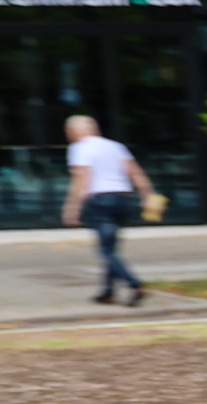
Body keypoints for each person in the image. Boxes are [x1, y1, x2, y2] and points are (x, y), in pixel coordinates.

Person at [61, 115, 155, 305]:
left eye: (69, 133)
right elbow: (135, 172)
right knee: (111, 248)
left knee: (106, 251)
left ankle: (135, 285)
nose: (69, 136)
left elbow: (81, 179)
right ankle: (108, 291)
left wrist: (72, 207)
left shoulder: (79, 148)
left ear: (77, 132)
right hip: (122, 200)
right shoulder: (116, 146)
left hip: (101, 202)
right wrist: (147, 195)